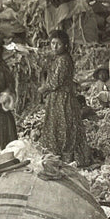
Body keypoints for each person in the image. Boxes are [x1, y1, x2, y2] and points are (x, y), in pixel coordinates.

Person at [38, 30, 92, 166]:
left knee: (64, 125)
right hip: (57, 97)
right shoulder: (59, 58)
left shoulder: (64, 60)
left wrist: (42, 89)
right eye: (53, 43)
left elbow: (55, 82)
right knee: (60, 125)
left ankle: (66, 157)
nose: (55, 47)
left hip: (62, 98)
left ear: (65, 45)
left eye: (58, 44)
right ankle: (60, 155)